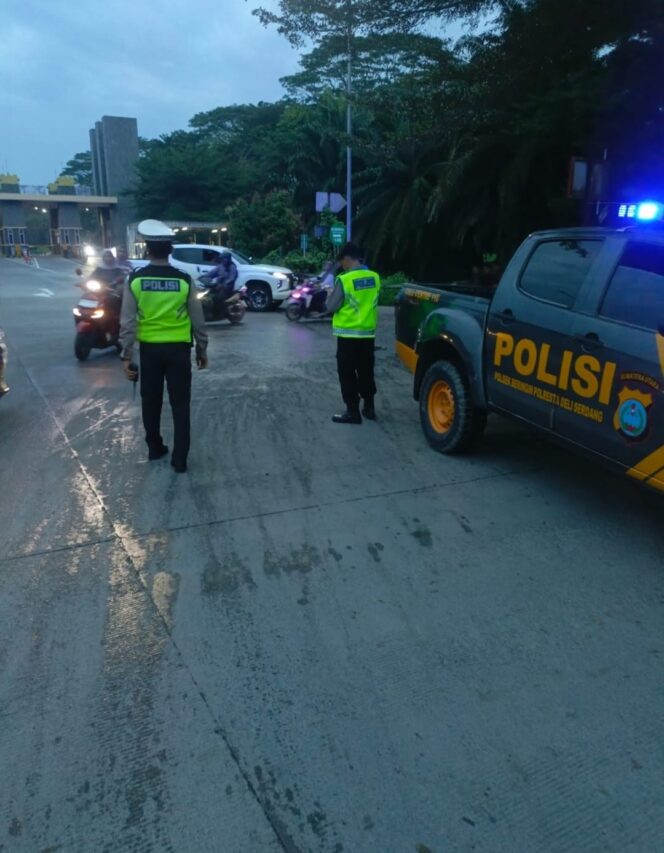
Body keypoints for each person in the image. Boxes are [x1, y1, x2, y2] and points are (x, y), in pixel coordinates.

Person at [119, 219, 209, 473]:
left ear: (147, 250)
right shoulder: (184, 280)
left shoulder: (135, 280)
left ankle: (154, 447)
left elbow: (127, 323)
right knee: (180, 404)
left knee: (151, 401)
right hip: (179, 350)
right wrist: (202, 350)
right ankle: (180, 459)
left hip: (150, 351)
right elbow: (198, 321)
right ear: (170, 250)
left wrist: (126, 356)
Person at [326, 243, 381, 424]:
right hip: (367, 335)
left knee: (347, 373)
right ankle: (369, 407)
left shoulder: (345, 280)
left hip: (348, 336)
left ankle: (352, 412)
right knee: (366, 371)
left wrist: (329, 295)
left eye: (342, 262)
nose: (342, 265)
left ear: (348, 259)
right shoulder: (375, 278)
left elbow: (331, 306)